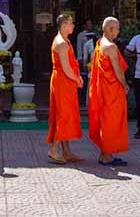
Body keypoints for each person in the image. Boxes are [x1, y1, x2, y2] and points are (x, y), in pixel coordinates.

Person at [88, 17, 129, 166]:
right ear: (110, 29)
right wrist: (125, 84)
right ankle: (106, 156)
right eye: (117, 28)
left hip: (103, 89)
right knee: (111, 121)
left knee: (106, 120)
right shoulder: (111, 47)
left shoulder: (100, 43)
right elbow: (118, 70)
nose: (118, 31)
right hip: (111, 90)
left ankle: (105, 154)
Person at [47, 13, 83, 164]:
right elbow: (66, 68)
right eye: (70, 23)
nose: (73, 25)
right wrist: (78, 79)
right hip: (63, 81)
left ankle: (66, 152)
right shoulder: (61, 43)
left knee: (65, 114)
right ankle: (54, 150)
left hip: (64, 81)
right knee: (63, 115)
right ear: (63, 25)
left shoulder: (65, 40)